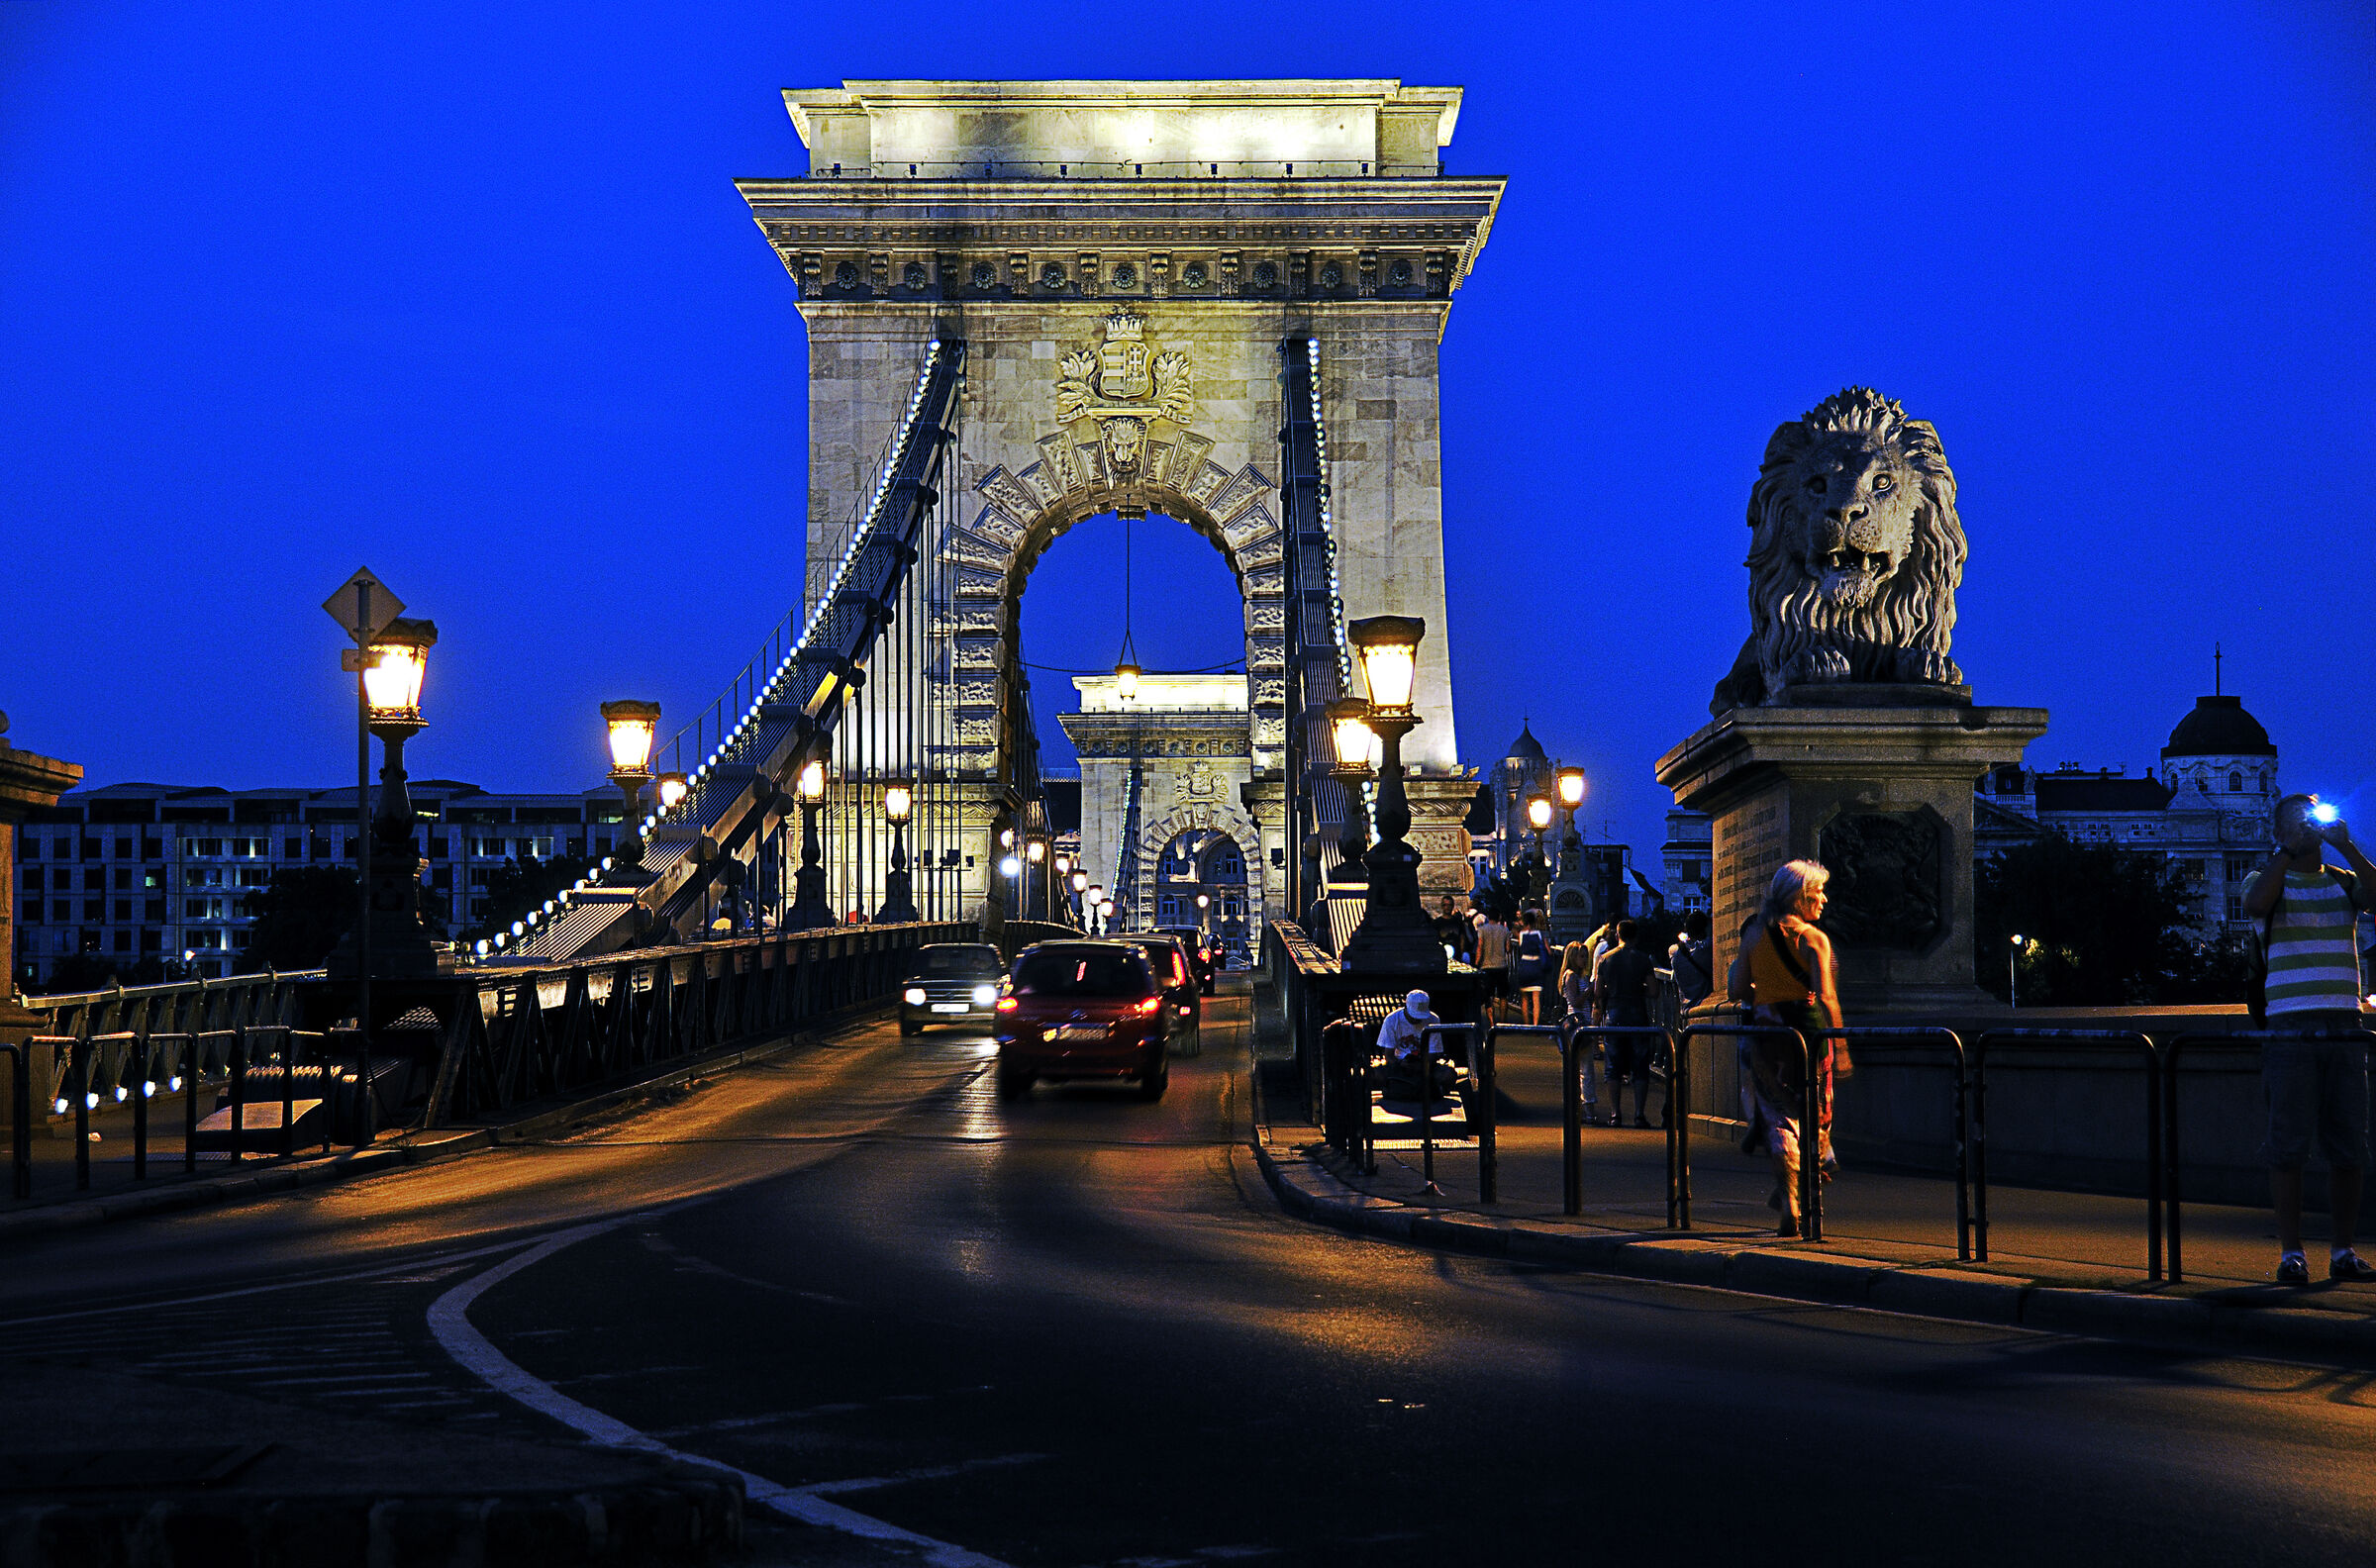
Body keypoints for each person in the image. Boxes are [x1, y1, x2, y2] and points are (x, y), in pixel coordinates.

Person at [2242, 795, 2376, 1285]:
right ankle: (2291, 1253)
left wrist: (2349, 847)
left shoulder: (2343, 881)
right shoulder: (2262, 879)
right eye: (2296, 821)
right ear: (2278, 831)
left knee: (2349, 1145)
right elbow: (2256, 905)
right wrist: (2287, 851)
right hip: (2289, 1026)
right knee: (2288, 1145)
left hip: (2344, 1024)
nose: (2307, 826)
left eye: (2312, 817)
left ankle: (2343, 1250)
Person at [1739, 861, 1845, 1237]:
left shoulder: (1754, 935)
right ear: (1800, 897)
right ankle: (1810, 1198)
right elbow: (1827, 996)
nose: (1824, 899)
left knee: (1778, 1119)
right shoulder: (1813, 938)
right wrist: (1841, 1046)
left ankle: (1789, 1202)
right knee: (1816, 1118)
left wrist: (1769, 991)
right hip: (1809, 1037)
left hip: (1767, 1037)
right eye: (1818, 893)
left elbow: (1737, 989)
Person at [1593, 920, 1661, 1127]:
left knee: (1612, 1066)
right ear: (1636, 936)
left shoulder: (1606, 959)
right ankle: (1639, 1114)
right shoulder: (1643, 959)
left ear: (1618, 936)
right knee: (1640, 1066)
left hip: (1614, 1014)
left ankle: (1615, 1114)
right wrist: (1638, 989)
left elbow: (1598, 991)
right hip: (1637, 1015)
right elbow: (1654, 991)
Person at [1376, 989, 1456, 1103]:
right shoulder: (1392, 1020)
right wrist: (1400, 1064)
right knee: (1375, 1073)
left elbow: (1433, 1054)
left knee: (1448, 1075)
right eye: (1413, 1016)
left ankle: (1436, 1093)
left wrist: (1421, 1066)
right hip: (1399, 1065)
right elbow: (1389, 1055)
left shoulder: (1433, 1019)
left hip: (1425, 1065)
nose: (1416, 1020)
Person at [1555, 940, 1605, 1123]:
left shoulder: (1577, 976)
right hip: (1577, 1025)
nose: (1585, 960)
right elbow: (1575, 1001)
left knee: (1580, 1068)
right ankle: (1586, 1109)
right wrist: (1590, 990)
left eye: (1586, 956)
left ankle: (1579, 1108)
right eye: (1582, 956)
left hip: (1582, 1024)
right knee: (1585, 1069)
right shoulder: (1571, 976)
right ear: (1572, 958)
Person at [1511, 910, 1554, 1026]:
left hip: (1525, 965)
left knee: (1524, 998)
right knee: (1536, 999)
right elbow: (1549, 951)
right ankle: (1535, 1025)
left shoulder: (1521, 934)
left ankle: (1526, 1024)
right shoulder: (1539, 934)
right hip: (1536, 966)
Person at [1669, 910, 1715, 1008]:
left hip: (1686, 1008)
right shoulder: (1707, 950)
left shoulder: (1674, 951)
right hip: (1706, 1007)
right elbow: (1709, 941)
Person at [1473, 908, 1512, 1021]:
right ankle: (1503, 1022)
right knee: (1503, 996)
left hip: (1487, 966)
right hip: (1501, 966)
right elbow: (1508, 949)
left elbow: (1480, 947)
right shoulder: (1504, 930)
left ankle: (1492, 1023)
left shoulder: (1482, 930)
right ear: (1499, 917)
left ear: (1488, 917)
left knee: (1488, 996)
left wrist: (1476, 964)